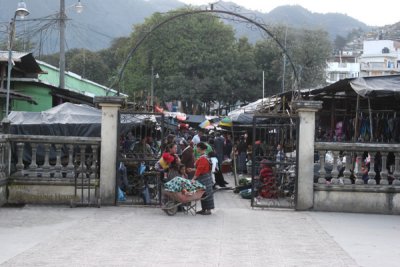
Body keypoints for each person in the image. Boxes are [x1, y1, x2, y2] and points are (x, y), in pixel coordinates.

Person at [192, 142, 215, 215]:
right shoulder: (204, 157)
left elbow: (199, 169)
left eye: (197, 147)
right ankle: (204, 209)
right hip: (205, 177)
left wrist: (193, 178)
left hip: (204, 177)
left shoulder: (203, 158)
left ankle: (208, 210)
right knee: (203, 194)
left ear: (200, 148)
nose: (196, 148)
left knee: (206, 194)